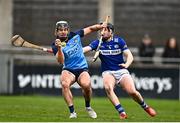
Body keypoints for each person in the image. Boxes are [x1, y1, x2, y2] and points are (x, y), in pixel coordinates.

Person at [83, 23, 157, 119]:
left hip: (121, 70)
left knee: (132, 92)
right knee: (108, 88)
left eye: (105, 30)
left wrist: (126, 64)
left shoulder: (119, 41)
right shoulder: (98, 43)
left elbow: (129, 55)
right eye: (101, 30)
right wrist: (72, 50)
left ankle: (145, 107)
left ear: (111, 32)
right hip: (108, 72)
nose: (102, 32)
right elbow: (84, 49)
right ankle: (121, 112)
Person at [51, 20, 106, 119]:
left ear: (68, 30)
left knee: (86, 85)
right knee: (64, 84)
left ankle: (88, 106)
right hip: (68, 69)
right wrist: (59, 48)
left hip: (82, 68)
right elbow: (60, 61)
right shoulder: (55, 45)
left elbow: (90, 29)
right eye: (60, 30)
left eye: (65, 29)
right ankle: (72, 112)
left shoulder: (75, 35)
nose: (63, 32)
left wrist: (101, 26)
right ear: (56, 32)